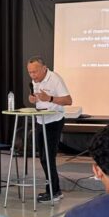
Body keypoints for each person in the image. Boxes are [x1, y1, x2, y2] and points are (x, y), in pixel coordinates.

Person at [26, 56, 72, 202]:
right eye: (30, 72)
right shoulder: (35, 81)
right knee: (43, 158)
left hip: (54, 120)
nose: (33, 75)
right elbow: (39, 99)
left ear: (44, 68)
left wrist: (50, 98)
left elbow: (68, 100)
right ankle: (52, 190)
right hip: (40, 120)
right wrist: (33, 100)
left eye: (35, 72)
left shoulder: (55, 79)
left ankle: (54, 191)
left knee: (48, 157)